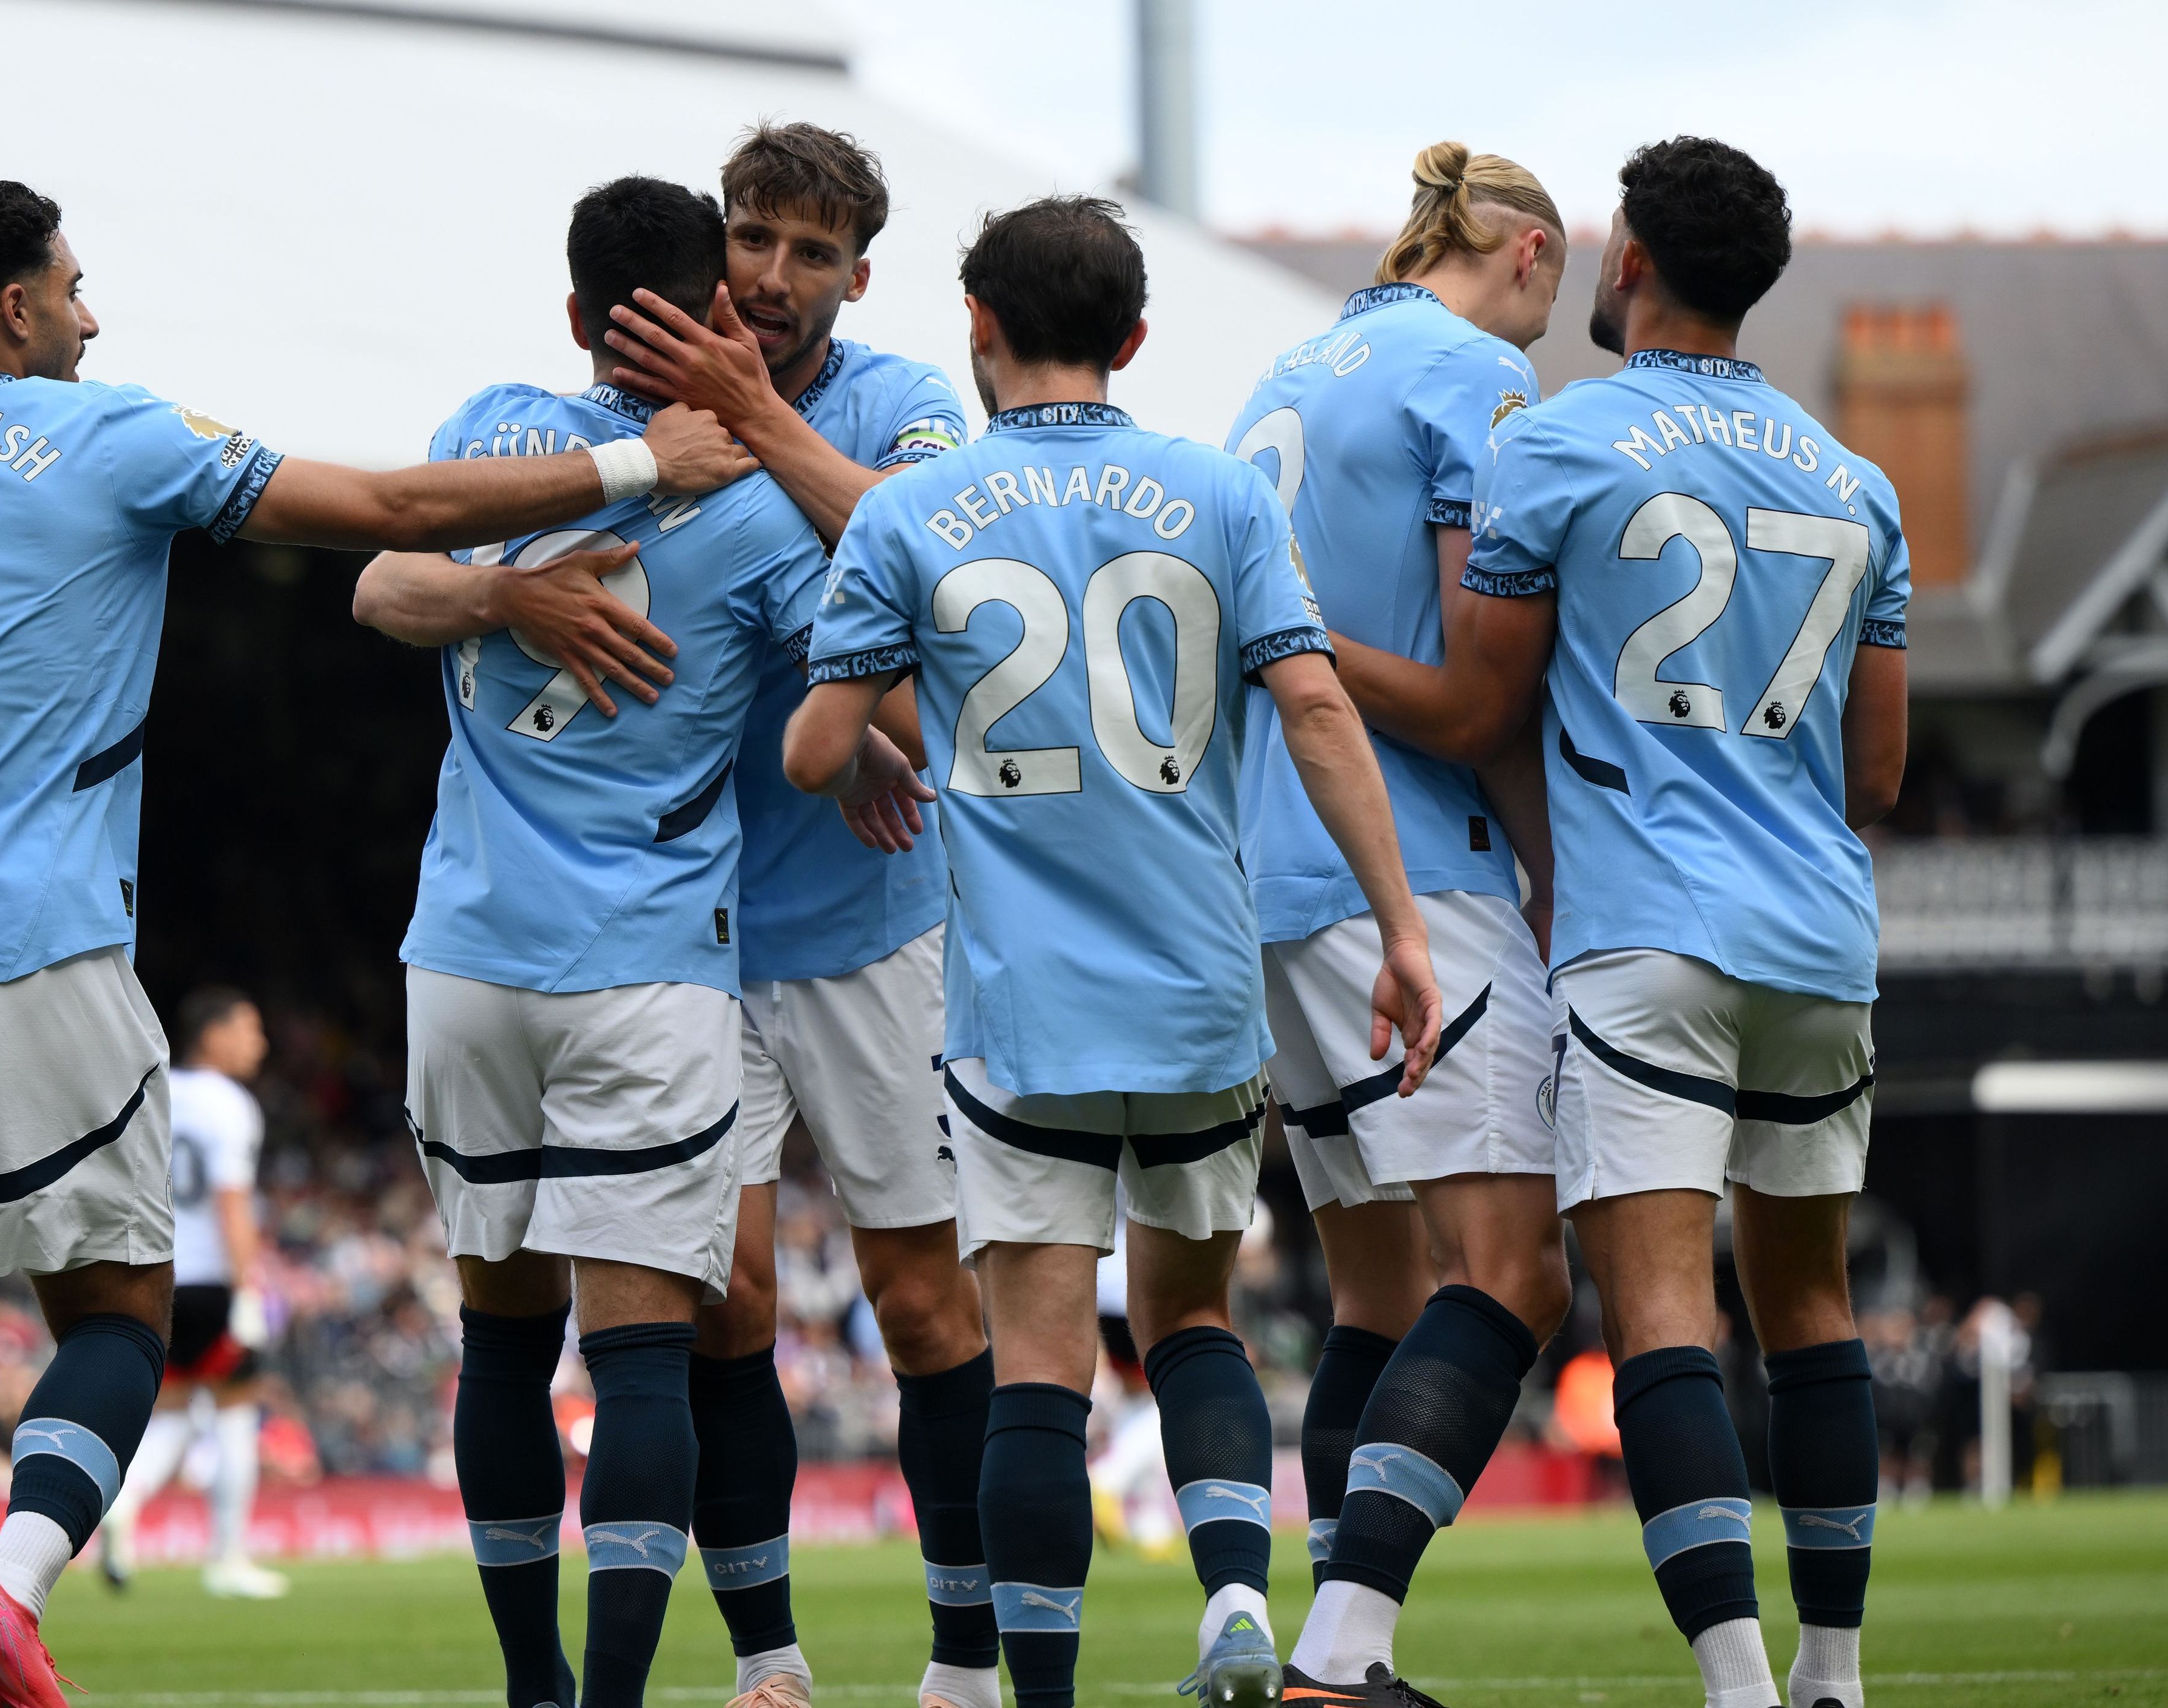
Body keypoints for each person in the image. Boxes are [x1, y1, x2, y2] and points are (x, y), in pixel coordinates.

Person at [0, 175, 754, 1708]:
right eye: (74, 286)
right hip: (34, 938)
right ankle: (16, 1578)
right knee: (119, 1311)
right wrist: (642, 455)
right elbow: (385, 517)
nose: (92, 316)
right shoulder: (111, 437)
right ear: (16, 306)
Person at [783, 195, 1441, 1708]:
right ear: (1132, 339)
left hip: (1022, 1010)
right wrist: (1398, 928)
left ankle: (1044, 1693)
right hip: (1201, 986)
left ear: (976, 333)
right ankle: (1228, 1602)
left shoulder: (906, 510)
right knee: (1191, 1318)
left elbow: (820, 746)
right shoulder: (1216, 494)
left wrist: (884, 730)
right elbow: (1320, 712)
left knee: (1035, 1361)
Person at [1422, 137, 1911, 1708]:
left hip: (1644, 933)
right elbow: (1882, 766)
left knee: (1658, 1317)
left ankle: (1735, 1682)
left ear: (1626, 261)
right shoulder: (1856, 481)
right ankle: (1833, 1671)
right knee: (1812, 1304)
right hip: (1819, 935)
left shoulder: (1556, 444)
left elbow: (1483, 697)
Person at [348, 177, 838, 1708]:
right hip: (644, 970)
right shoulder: (761, 513)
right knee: (637, 1364)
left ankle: (532, 1691)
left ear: (574, 319)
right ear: (718, 316)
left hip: (466, 964)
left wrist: (507, 595)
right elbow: (861, 675)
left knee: (501, 1350)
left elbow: (378, 578)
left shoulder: (498, 429)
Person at [599, 121, 996, 1708]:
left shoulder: (899, 405)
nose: (769, 276)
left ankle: (964, 1654)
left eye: (808, 253)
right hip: (683, 928)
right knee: (726, 1298)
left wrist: (852, 720)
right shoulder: (628, 383)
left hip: (873, 915)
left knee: (918, 1298)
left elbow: (926, 574)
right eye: (752, 237)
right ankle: (767, 1658)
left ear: (856, 276)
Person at [1226, 143, 1572, 1704]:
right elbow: (1476, 699)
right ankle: (1336, 1655)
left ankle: (1326, 1652)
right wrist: (1557, 870)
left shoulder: (1282, 374)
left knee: (1373, 1288)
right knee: (1508, 1273)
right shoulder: (1473, 382)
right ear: (1521, 256)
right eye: (1547, 295)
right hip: (1405, 875)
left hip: (1265, 876)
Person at [100, 986, 284, 1599]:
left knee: (173, 1414)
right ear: (213, 1034)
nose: (259, 1042)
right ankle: (228, 1557)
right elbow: (232, 1201)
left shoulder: (156, 1093)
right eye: (249, 1028)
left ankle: (122, 1506)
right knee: (236, 1410)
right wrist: (250, 1287)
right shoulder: (230, 1104)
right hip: (211, 1278)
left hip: (157, 1274)